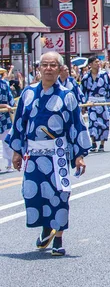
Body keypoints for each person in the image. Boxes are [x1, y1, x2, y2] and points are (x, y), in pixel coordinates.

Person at [7, 52, 91, 256]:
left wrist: (78, 155)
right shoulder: (28, 92)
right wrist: (17, 151)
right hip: (34, 154)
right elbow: (19, 123)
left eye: (53, 65)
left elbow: (75, 125)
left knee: (60, 195)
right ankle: (47, 228)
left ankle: (58, 239)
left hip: (58, 153)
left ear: (60, 68)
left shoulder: (66, 95)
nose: (48, 68)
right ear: (39, 68)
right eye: (44, 65)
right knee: (33, 193)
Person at [81, 55, 110, 152]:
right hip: (92, 102)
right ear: (90, 64)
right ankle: (93, 142)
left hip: (102, 101)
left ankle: (102, 144)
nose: (98, 64)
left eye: (99, 62)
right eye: (96, 62)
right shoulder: (86, 77)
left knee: (104, 123)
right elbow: (82, 91)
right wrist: (83, 104)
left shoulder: (104, 75)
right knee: (93, 122)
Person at [0, 67, 15, 172]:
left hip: (5, 116)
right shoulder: (5, 84)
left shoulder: (5, 84)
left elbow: (11, 100)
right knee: (6, 141)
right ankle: (9, 165)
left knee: (7, 140)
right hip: (5, 114)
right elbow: (11, 101)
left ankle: (10, 164)